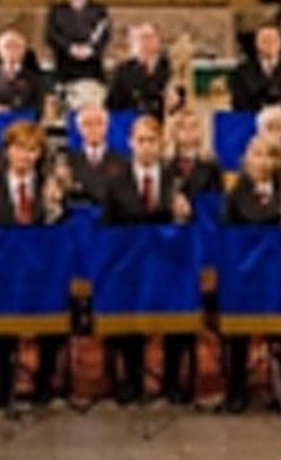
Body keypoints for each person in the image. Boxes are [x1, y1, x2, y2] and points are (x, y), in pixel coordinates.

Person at [99, 116, 196, 404]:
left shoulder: (176, 180)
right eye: (140, 141)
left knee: (177, 312)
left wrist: (183, 216)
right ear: (130, 143)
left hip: (169, 265)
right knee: (129, 314)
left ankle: (171, 381)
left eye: (152, 141)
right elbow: (108, 229)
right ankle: (132, 379)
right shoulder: (116, 182)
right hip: (130, 267)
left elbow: (190, 229)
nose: (146, 147)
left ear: (161, 144)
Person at [0, 122, 66, 404]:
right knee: (0, 312)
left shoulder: (49, 187)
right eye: (19, 148)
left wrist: (56, 207)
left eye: (32, 150)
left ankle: (44, 377)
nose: (25, 156)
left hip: (40, 272)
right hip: (2, 272)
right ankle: (2, 375)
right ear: (8, 151)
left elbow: (59, 235)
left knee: (55, 308)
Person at [222, 135, 281, 412]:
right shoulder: (235, 195)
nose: (262, 161)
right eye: (256, 154)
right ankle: (236, 389)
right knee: (238, 321)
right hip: (247, 276)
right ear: (246, 159)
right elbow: (227, 236)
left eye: (269, 155)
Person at [44, 0, 110, 85]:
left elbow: (105, 35)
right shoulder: (57, 10)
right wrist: (70, 48)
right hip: (65, 66)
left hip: (92, 67)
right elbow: (51, 34)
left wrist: (91, 50)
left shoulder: (99, 9)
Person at [229, 24, 281, 126]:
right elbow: (238, 104)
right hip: (252, 126)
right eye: (265, 40)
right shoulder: (242, 70)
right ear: (256, 43)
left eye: (273, 40)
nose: (269, 44)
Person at [63, 102, 127, 206]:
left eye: (99, 123)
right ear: (79, 128)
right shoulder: (67, 161)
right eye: (87, 124)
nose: (94, 129)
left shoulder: (123, 161)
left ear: (107, 126)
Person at [105, 22, 172, 117]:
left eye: (149, 37)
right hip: (134, 124)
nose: (145, 42)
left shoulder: (170, 66)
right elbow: (112, 104)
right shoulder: (123, 70)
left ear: (158, 40)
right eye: (140, 38)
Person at [0, 30, 45, 114]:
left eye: (17, 46)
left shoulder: (35, 79)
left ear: (24, 50)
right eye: (7, 46)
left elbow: (38, 109)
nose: (12, 51)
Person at [165, 112, 224, 197]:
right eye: (182, 126)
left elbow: (216, 203)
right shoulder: (165, 164)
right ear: (174, 132)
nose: (188, 131)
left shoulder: (211, 164)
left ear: (200, 131)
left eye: (193, 126)